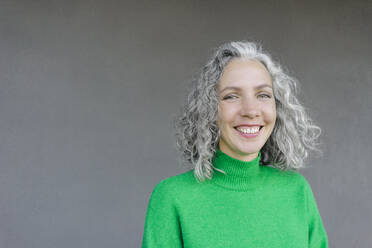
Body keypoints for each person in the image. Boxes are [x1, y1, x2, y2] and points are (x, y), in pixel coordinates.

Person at [142, 41, 328, 247]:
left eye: (263, 95)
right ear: (209, 110)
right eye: (231, 96)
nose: (250, 110)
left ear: (278, 106)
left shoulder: (297, 191)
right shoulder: (172, 197)